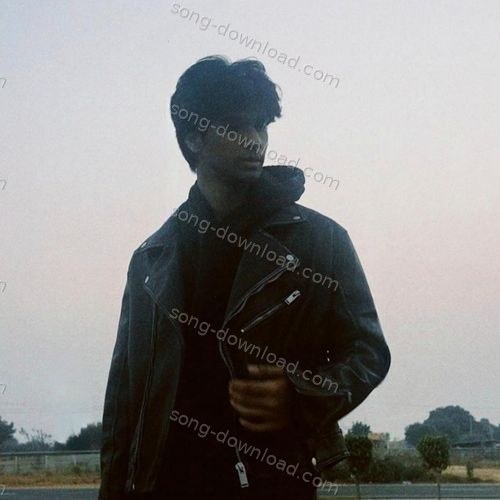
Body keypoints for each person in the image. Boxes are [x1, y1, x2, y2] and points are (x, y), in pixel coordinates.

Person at [99, 55, 391, 499]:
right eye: (237, 127)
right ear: (194, 138)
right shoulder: (152, 259)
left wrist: (301, 396)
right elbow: (124, 398)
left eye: (261, 126)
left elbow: (368, 352)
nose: (256, 141)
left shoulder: (320, 240)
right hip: (166, 484)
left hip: (275, 482)